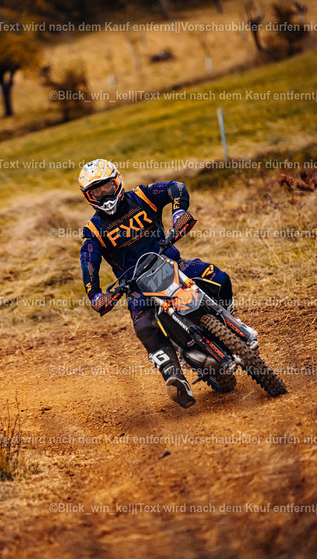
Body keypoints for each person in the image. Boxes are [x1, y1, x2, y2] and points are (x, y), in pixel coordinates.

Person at [79, 159, 233, 409]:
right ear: (88, 196)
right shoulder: (93, 230)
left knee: (218, 278)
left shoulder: (142, 197)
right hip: (136, 287)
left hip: (171, 264)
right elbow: (88, 262)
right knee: (144, 327)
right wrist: (95, 295)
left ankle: (228, 322)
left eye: (107, 187)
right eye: (96, 192)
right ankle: (174, 377)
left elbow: (176, 187)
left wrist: (179, 212)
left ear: (117, 181)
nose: (104, 195)